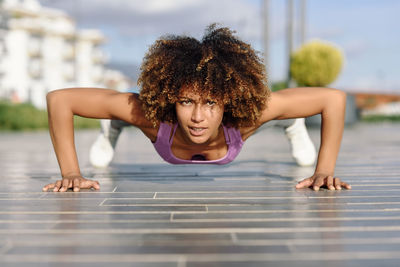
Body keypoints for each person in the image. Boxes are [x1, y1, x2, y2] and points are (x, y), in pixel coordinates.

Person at [42, 24, 351, 193]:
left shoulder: (245, 117)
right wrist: (71, 173)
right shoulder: (151, 116)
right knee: (126, 109)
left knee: (275, 112)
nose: (198, 117)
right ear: (171, 98)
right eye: (186, 101)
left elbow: (333, 99)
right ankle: (114, 125)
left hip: (244, 123)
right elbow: (60, 99)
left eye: (211, 103)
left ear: (226, 100)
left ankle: (290, 124)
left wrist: (324, 171)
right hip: (145, 117)